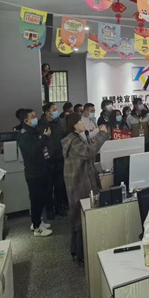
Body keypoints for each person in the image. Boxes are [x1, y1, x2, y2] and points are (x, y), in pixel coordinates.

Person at [62, 113, 110, 263]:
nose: (83, 124)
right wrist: (102, 134)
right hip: (80, 184)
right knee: (81, 218)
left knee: (79, 217)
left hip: (81, 181)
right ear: (74, 125)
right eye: (80, 122)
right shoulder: (73, 142)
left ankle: (78, 251)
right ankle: (80, 253)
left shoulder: (75, 139)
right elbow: (89, 152)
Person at [16, 109, 52, 237]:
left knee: (40, 199)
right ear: (26, 120)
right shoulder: (24, 135)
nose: (35, 118)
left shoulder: (33, 131)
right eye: (32, 117)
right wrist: (45, 137)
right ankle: (37, 228)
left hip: (41, 169)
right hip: (34, 173)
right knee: (36, 200)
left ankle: (37, 221)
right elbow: (34, 151)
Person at [38, 102, 67, 219]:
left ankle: (59, 207)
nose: (56, 112)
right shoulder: (40, 125)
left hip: (59, 158)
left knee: (59, 186)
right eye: (53, 110)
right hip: (47, 161)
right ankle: (49, 210)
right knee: (48, 188)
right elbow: (39, 144)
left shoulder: (59, 123)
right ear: (47, 112)